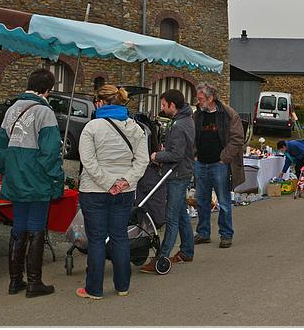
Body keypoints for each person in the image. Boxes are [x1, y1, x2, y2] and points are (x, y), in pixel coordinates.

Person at [0, 69, 64, 298]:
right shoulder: (45, 112)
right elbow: (50, 152)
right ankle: (35, 282)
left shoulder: (11, 109)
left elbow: (1, 148)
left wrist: (2, 170)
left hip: (15, 177)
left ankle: (15, 281)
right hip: (37, 179)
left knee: (18, 226)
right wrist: (56, 178)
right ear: (47, 89)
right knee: (36, 227)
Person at [76, 85, 149, 299]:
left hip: (94, 190)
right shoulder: (136, 128)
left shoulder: (92, 127)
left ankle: (94, 289)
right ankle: (122, 286)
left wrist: (108, 183)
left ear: (99, 102)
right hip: (125, 191)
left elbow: (87, 161)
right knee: (119, 237)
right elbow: (142, 161)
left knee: (97, 239)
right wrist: (124, 181)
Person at [141, 90, 196, 272]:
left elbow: (176, 154)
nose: (162, 109)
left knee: (171, 217)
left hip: (177, 175)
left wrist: (158, 155)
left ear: (173, 105)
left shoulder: (180, 125)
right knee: (180, 213)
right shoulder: (184, 120)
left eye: (164, 105)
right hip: (180, 173)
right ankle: (187, 250)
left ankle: (161, 256)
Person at [193, 82, 245, 249]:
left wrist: (225, 158)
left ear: (211, 98)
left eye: (201, 99)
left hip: (219, 165)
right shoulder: (197, 114)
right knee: (201, 200)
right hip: (201, 163)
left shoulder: (228, 114)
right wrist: (194, 154)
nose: (198, 101)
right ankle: (203, 233)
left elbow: (237, 139)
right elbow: (191, 135)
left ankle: (226, 234)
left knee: (223, 201)